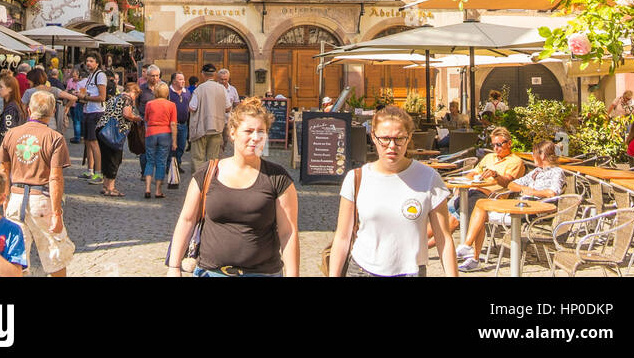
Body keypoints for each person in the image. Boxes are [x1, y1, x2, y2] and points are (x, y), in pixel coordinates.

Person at [167, 97, 299, 278]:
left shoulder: (278, 178)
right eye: (249, 131)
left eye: (261, 131)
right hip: (212, 273)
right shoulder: (208, 173)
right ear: (233, 132)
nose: (255, 138)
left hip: (262, 273)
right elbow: (187, 220)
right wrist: (174, 267)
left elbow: (288, 232)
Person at [328, 106, 457, 278]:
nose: (391, 146)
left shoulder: (429, 178)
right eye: (385, 139)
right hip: (362, 271)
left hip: (411, 271)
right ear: (373, 137)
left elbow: (444, 239)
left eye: (399, 139)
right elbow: (342, 237)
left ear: (409, 137)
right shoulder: (356, 178)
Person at [0, 89, 75, 278]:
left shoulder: (11, 134)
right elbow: (55, 177)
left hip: (16, 198)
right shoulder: (54, 138)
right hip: (41, 200)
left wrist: (4, 197)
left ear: (28, 109)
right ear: (50, 113)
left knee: (16, 257)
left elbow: (2, 170)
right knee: (54, 254)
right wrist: (57, 212)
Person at [457, 139, 564, 272]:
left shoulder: (556, 172)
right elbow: (511, 185)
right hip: (521, 206)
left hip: (535, 211)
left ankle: (473, 257)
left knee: (480, 210)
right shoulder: (536, 171)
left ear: (542, 155)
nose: (532, 156)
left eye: (534, 153)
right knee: (480, 205)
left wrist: (531, 191)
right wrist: (522, 188)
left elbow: (552, 193)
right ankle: (469, 250)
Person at [96, 83, 140, 196]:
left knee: (106, 158)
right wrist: (137, 118)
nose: (135, 98)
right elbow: (126, 114)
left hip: (102, 130)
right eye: (136, 95)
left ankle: (105, 186)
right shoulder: (127, 99)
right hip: (114, 133)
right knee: (114, 159)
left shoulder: (115, 97)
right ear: (133, 91)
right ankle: (111, 188)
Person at [189, 63, 231, 166]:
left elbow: (192, 108)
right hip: (217, 127)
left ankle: (198, 181)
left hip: (201, 128)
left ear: (202, 74)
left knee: (198, 158)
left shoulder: (199, 89)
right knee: (213, 159)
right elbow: (228, 108)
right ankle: (210, 180)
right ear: (215, 74)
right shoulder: (222, 89)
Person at [144, 81, 178, 199]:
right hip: (165, 134)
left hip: (151, 133)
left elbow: (146, 119)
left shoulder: (149, 104)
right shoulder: (171, 105)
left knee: (149, 161)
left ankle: (147, 188)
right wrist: (174, 141)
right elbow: (173, 124)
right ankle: (158, 190)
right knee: (161, 162)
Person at [79, 51, 108, 183]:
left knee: (94, 142)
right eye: (87, 61)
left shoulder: (100, 75)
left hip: (96, 112)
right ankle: (90, 170)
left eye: (91, 61)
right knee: (88, 141)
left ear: (97, 63)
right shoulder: (91, 75)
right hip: (88, 110)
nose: (88, 63)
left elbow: (102, 97)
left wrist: (85, 97)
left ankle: (98, 173)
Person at [168, 72, 191, 174]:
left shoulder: (187, 92)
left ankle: (178, 164)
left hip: (183, 124)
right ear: (174, 81)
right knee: (171, 146)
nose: (183, 81)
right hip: (171, 125)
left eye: (183, 79)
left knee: (181, 146)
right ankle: (169, 166)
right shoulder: (168, 92)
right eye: (180, 79)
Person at [0, 73, 25, 141]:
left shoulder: (11, 108)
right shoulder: (13, 105)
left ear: (10, 89)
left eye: (1, 87)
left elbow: (7, 131)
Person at [66, 66, 83, 143]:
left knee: (77, 121)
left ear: (79, 76)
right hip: (71, 103)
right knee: (74, 120)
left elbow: (83, 93)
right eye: (73, 76)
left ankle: (77, 137)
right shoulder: (70, 80)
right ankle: (78, 135)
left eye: (75, 76)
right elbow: (67, 89)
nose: (73, 77)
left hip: (77, 103)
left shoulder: (81, 83)